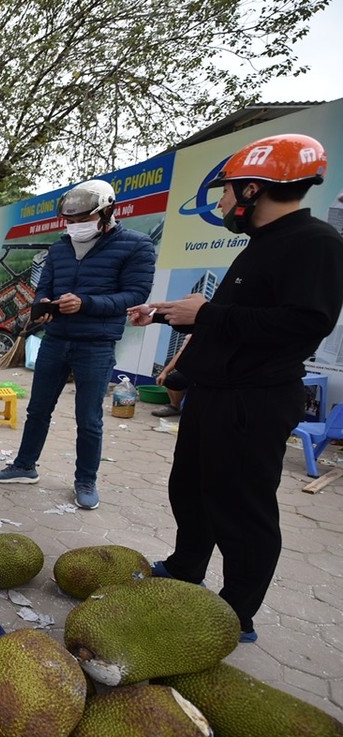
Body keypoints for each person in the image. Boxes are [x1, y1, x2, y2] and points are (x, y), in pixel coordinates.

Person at [127, 133, 343, 643]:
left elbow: (303, 325)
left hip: (255, 401)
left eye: (226, 192)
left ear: (253, 190)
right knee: (192, 489)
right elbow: (233, 322)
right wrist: (169, 314)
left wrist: (209, 314)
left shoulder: (316, 244)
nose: (221, 201)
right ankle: (185, 569)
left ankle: (235, 614)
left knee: (243, 508)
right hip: (215, 394)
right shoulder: (262, 246)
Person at [0, 178, 156, 510]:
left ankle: (85, 480)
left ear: (107, 213)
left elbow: (135, 295)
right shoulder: (60, 248)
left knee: (89, 417)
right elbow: (43, 287)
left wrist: (86, 303)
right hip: (56, 339)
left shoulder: (136, 246)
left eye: (84, 220)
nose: (76, 227)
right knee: (38, 409)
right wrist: (44, 305)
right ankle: (24, 465)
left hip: (96, 343)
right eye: (71, 221)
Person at [151, 336, 190, 418]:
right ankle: (175, 406)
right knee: (169, 369)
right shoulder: (192, 335)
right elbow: (180, 353)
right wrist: (164, 372)